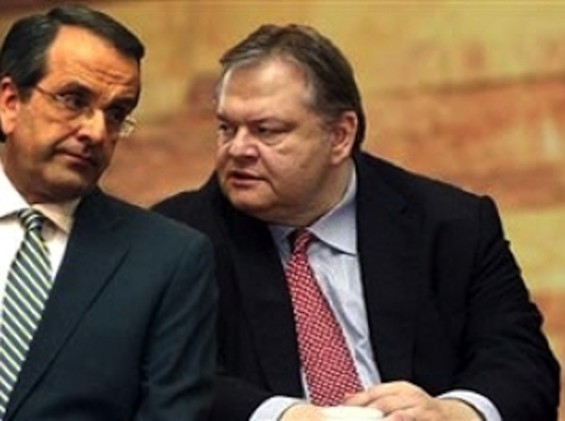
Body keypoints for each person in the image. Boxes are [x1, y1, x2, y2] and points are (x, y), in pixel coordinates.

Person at [153, 24, 560, 421]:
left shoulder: (451, 224)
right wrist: (282, 416)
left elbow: (522, 363)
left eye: (267, 130)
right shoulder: (174, 239)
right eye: (227, 128)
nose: (238, 149)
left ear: (340, 136)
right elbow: (172, 376)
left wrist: (453, 412)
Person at [0, 5, 216, 420]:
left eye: (116, 114)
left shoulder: (167, 260)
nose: (96, 132)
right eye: (73, 100)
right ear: (10, 103)